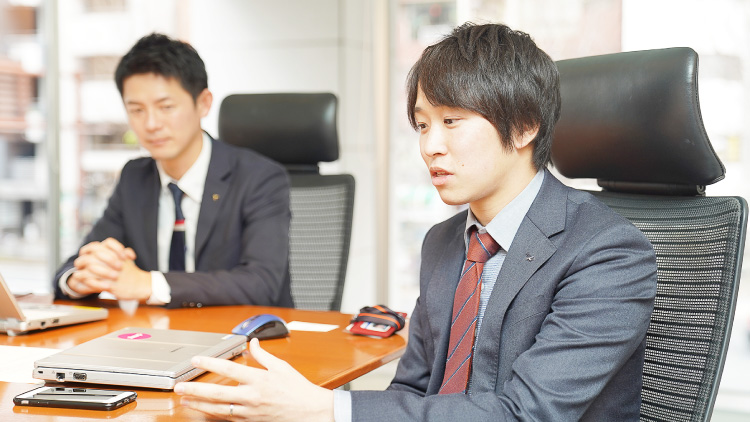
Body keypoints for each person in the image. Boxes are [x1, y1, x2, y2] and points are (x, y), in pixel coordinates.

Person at [174, 22, 657, 421]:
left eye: (452, 121)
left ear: (526, 125)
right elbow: (411, 389)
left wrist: (327, 409)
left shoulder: (607, 251)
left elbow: (526, 413)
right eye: (423, 125)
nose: (430, 146)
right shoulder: (444, 242)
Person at [53, 33, 294, 309]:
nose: (151, 124)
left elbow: (261, 284)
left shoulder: (259, 178)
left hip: (242, 331)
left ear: (203, 103)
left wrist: (149, 284)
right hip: (159, 331)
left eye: (166, 107)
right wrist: (80, 279)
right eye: (137, 110)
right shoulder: (135, 177)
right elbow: (73, 265)